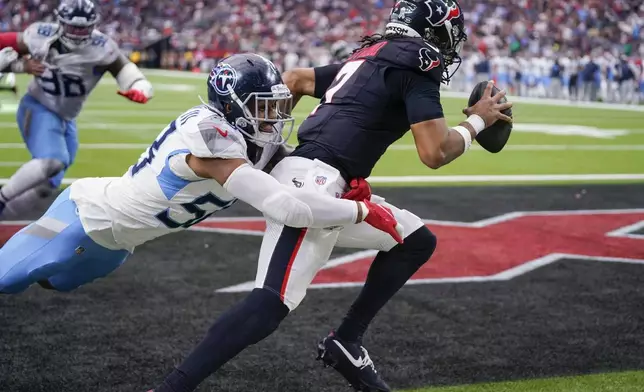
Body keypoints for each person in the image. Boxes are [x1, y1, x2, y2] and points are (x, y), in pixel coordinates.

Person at [150, 1, 512, 392]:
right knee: (269, 304)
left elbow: (295, 80)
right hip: (314, 187)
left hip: (324, 179)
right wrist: (477, 120)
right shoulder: (419, 61)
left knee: (414, 240)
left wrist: (268, 150)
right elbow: (434, 152)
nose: (451, 44)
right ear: (434, 31)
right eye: (450, 33)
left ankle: (347, 342)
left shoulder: (369, 53)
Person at [0, 53, 402, 297]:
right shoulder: (212, 140)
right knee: (8, 279)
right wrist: (361, 213)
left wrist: (348, 189)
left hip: (119, 244)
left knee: (55, 285)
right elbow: (287, 207)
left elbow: (298, 174)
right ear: (231, 106)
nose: (275, 116)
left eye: (276, 104)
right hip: (85, 216)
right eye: (263, 107)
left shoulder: (255, 140)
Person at [0, 0, 153, 220]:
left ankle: (5, 220)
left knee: (46, 185)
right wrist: (19, 66)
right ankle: (1, 200)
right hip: (38, 106)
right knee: (53, 161)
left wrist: (139, 88)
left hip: (66, 118)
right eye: (74, 27)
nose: (79, 33)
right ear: (60, 22)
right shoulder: (39, 34)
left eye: (84, 27)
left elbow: (127, 71)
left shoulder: (103, 47)